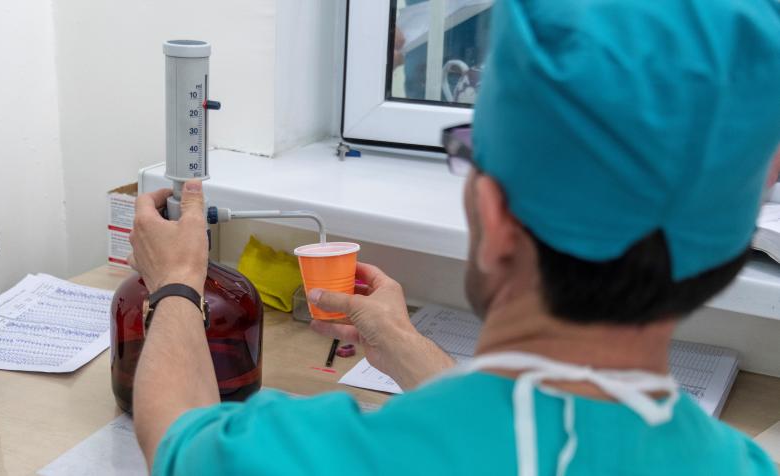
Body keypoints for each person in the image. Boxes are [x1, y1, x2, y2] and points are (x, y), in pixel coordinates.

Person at [127, 0, 780, 474]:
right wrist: (403, 344)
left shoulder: (328, 458)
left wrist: (177, 283)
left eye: (468, 153)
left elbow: (182, 444)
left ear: (496, 220)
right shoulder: (740, 464)